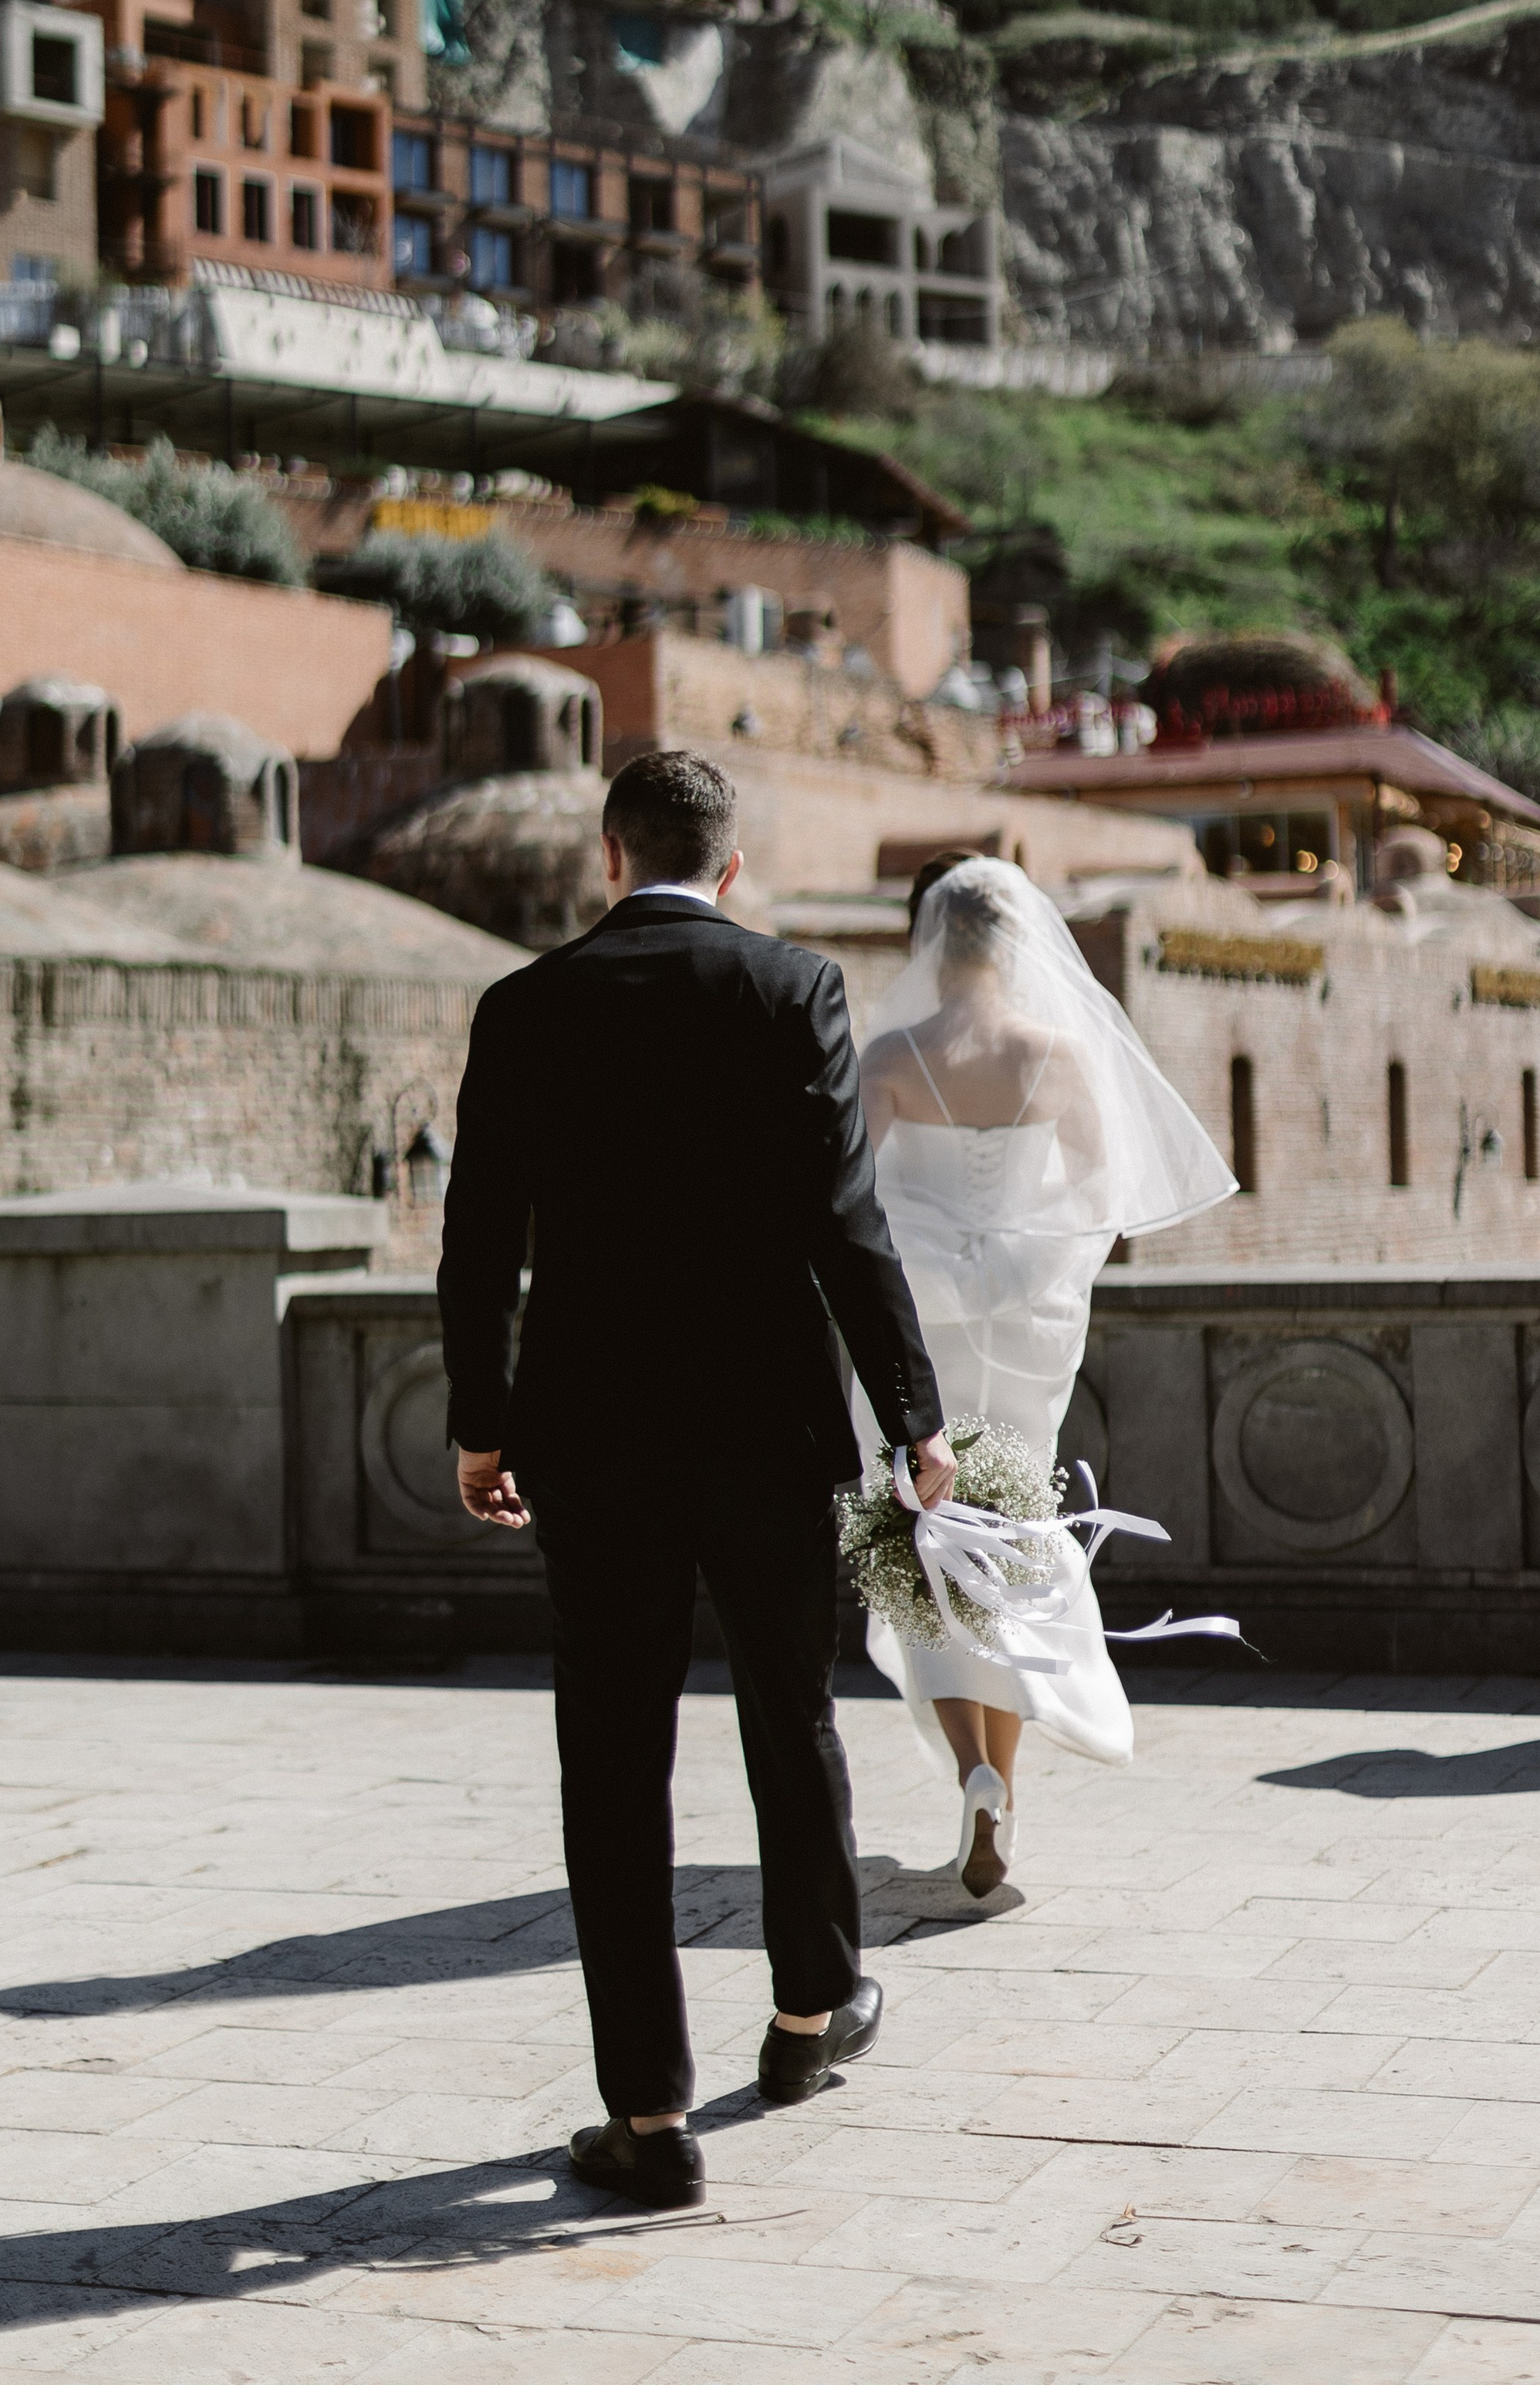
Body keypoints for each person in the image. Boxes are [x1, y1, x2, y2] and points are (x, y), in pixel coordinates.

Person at [438, 748, 954, 2213]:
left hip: (590, 1440)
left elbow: (479, 1249)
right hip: (770, 1431)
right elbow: (846, 1226)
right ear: (730, 866)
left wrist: (485, 1428)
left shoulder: (523, 1008)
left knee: (613, 1759)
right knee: (789, 1715)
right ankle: (807, 2016)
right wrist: (913, 1417)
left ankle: (651, 2118)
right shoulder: (794, 992)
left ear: (611, 855)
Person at [858, 854, 1234, 1897]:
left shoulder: (892, 1054)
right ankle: (1003, 1786)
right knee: (1013, 1539)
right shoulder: (1059, 1056)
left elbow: (847, 1208)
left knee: (920, 1544)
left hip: (921, 1332)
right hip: (1022, 1330)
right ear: (1014, 945)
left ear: (929, 945)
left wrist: (931, 1251)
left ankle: (972, 1771)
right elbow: (1103, 1195)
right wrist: (1024, 1263)